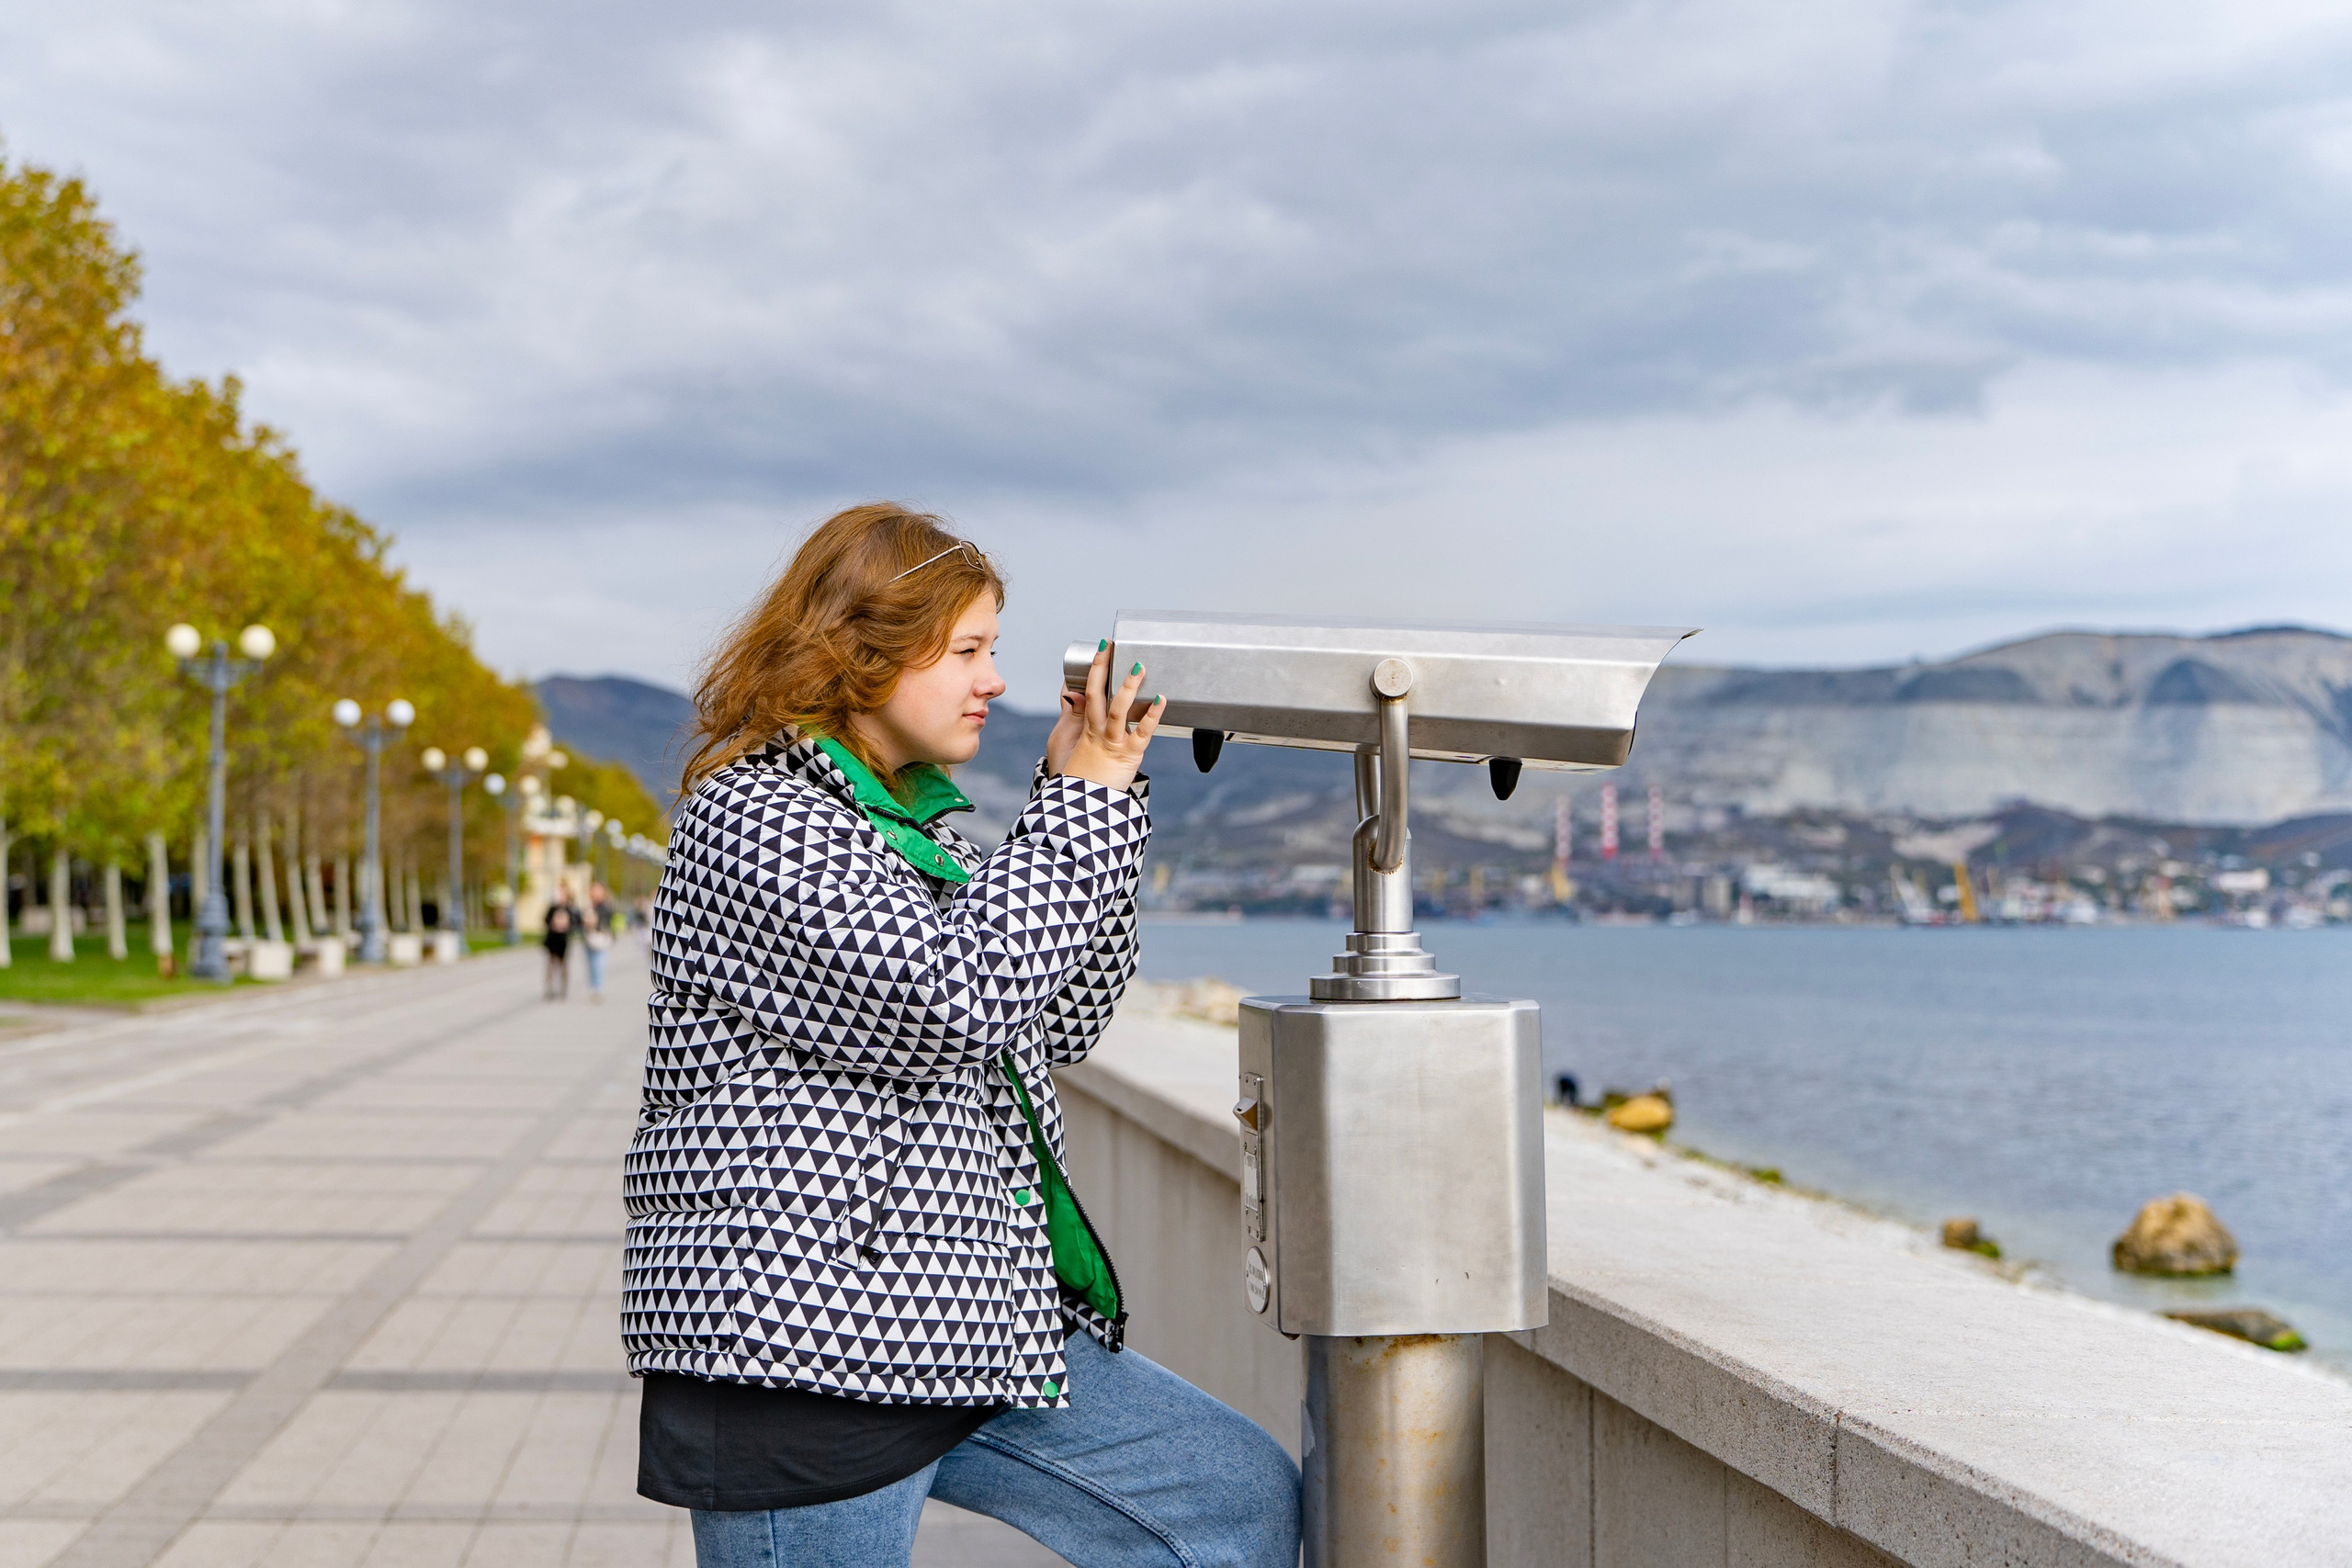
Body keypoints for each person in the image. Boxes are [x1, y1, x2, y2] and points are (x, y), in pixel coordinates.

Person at [625, 503, 1299, 1568]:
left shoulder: (902, 831)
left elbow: (1061, 1014)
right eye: (970, 651)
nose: (994, 681)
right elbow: (957, 1000)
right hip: (803, 1344)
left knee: (1233, 1501)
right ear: (859, 653)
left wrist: (1097, 796)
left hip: (967, 1322)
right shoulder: (752, 818)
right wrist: (1074, 805)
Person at [584, 882, 618, 1002]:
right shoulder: (588, 905)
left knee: (599, 964)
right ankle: (594, 987)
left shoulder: (606, 906)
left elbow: (610, 918)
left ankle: (599, 988)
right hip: (589, 938)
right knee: (591, 965)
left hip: (602, 938)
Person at [542, 893, 575, 1000]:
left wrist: (566, 925)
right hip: (553, 940)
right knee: (551, 966)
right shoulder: (552, 908)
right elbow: (546, 920)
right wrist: (554, 924)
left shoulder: (570, 909)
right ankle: (550, 988)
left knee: (564, 966)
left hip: (563, 941)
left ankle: (563, 988)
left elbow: (575, 922)